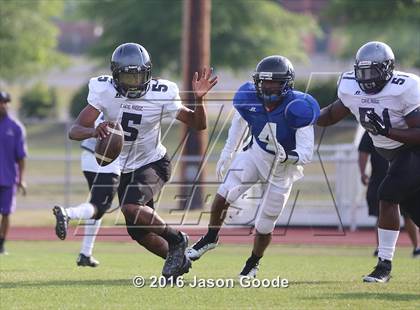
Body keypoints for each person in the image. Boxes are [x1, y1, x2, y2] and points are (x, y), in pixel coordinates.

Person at [54, 42, 218, 278]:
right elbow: (75, 130)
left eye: (139, 76)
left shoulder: (162, 93)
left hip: (153, 162)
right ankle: (180, 262)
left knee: (131, 206)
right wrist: (94, 130)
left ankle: (177, 239)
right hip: (124, 167)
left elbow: (198, 124)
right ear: (115, 75)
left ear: (148, 73)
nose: (135, 84)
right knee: (138, 232)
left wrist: (199, 100)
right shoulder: (103, 90)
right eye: (128, 78)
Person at [186, 55, 319, 278]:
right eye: (264, 81)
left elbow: (306, 153)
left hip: (283, 168)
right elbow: (239, 123)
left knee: (265, 223)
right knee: (222, 196)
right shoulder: (248, 96)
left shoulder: (300, 107)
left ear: (287, 84)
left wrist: (287, 156)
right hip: (256, 154)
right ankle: (210, 238)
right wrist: (228, 152)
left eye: (275, 82)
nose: (268, 87)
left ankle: (253, 262)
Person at [317, 41, 420, 282]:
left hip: (413, 148)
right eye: (362, 72)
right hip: (392, 154)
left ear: (387, 69)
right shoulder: (350, 86)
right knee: (414, 209)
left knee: (387, 195)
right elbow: (331, 115)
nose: (367, 78)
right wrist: (306, 115)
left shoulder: (405, 87)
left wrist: (388, 131)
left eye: (373, 71)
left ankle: (384, 266)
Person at [53, 113, 120, 267]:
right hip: (106, 159)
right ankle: (67, 214)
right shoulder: (123, 103)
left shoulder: (102, 100)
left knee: (95, 207)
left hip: (88, 157)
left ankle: (85, 254)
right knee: (100, 206)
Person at [358, 130, 420, 258]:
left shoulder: (404, 126)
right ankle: (382, 250)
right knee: (382, 214)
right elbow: (363, 151)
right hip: (381, 178)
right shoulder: (372, 128)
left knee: (409, 216)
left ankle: (416, 247)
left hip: (405, 176)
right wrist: (363, 172)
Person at [0, 91, 27, 254]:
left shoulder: (16, 128)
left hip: (8, 179)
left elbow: (21, 157)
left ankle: (1, 244)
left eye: (5, 102)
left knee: (6, 213)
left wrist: (21, 180)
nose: (2, 105)